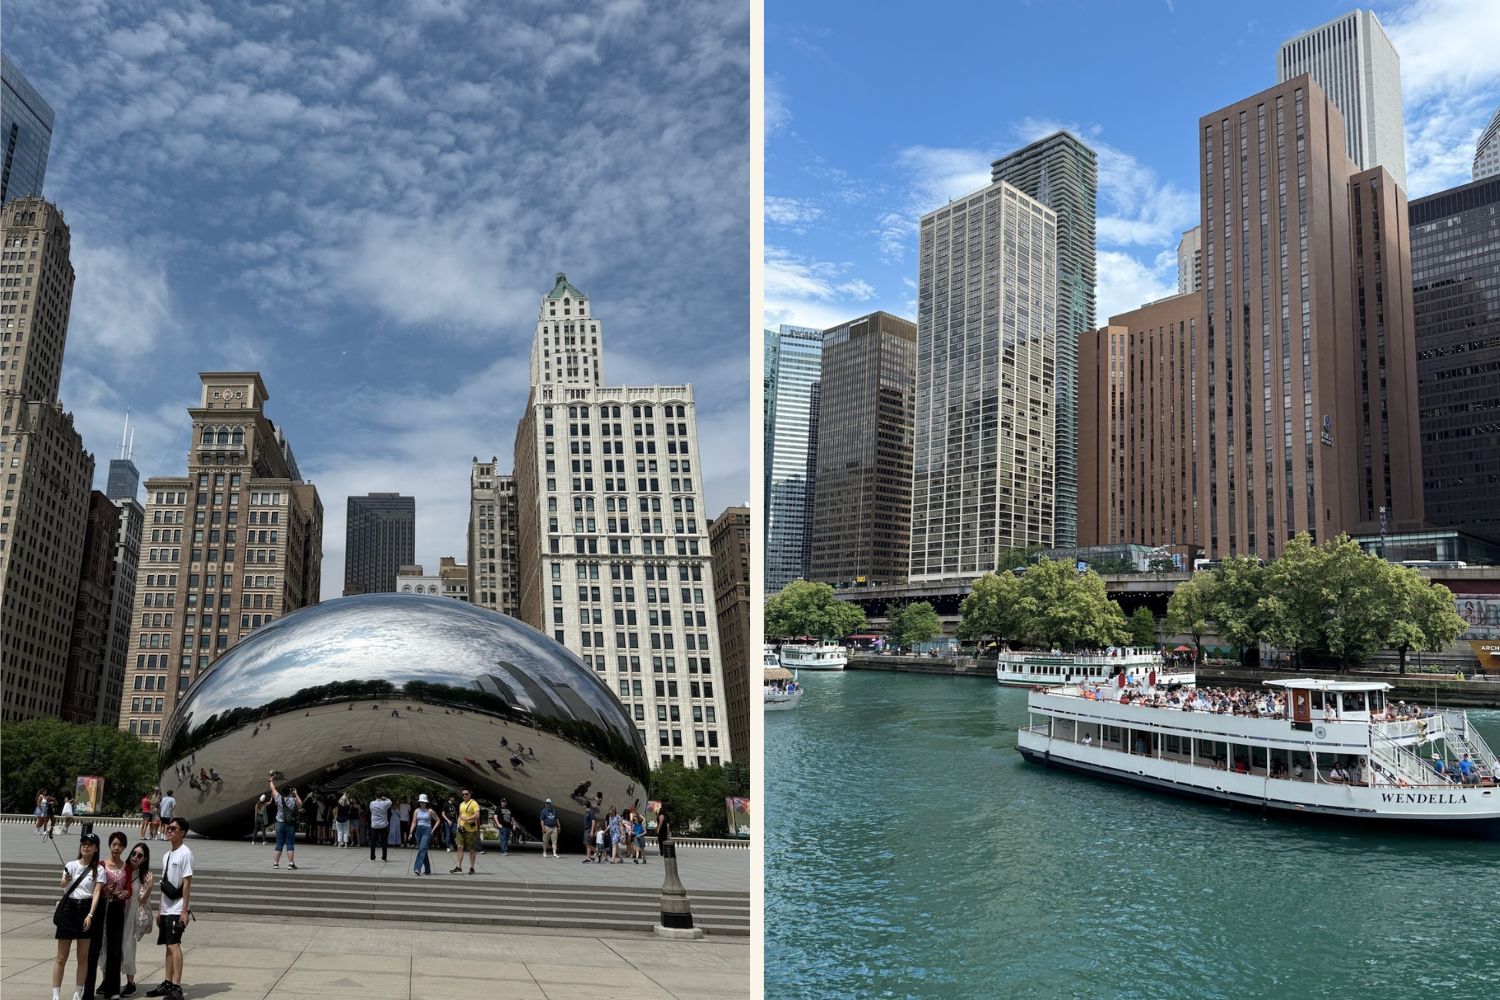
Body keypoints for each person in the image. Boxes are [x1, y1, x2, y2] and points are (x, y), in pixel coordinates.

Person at [54, 832, 105, 1000]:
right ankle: (56, 994)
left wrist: (90, 914)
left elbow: (97, 893)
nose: (86, 846)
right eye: (84, 843)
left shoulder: (99, 869)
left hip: (85, 909)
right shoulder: (71, 865)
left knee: (82, 957)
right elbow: (62, 884)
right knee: (61, 957)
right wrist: (65, 880)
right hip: (69, 909)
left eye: (90, 844)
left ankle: (78, 992)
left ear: (96, 848)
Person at [146, 819, 192, 1000]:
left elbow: (187, 884)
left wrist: (184, 911)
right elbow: (164, 885)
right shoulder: (167, 855)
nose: (169, 830)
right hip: (166, 908)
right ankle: (167, 982)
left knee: (174, 945)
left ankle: (177, 988)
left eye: (173, 829)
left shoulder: (185, 854)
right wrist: (160, 909)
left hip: (178, 907)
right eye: (168, 828)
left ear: (183, 833)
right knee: (167, 946)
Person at [89, 832, 131, 1000]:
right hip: (101, 908)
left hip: (117, 909)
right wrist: (106, 889)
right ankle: (88, 987)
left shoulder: (126, 867)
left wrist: (124, 893)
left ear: (124, 847)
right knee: (95, 948)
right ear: (109, 845)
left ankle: (113, 989)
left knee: (114, 948)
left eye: (120, 845)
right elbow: (93, 886)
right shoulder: (100, 865)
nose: (116, 847)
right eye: (114, 844)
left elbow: (129, 888)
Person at [118, 841, 153, 999]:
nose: (135, 857)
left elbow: (142, 900)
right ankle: (109, 980)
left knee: (128, 948)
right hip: (116, 913)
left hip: (131, 917)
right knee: (108, 947)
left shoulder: (145, 876)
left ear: (144, 859)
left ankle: (130, 983)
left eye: (139, 856)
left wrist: (150, 887)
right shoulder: (122, 869)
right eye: (133, 853)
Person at [267, 774, 301, 870]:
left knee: (279, 843)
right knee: (290, 843)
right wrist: (296, 794)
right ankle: (290, 863)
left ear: (282, 792)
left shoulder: (278, 798)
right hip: (290, 824)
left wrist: (270, 781)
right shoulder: (293, 800)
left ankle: (276, 863)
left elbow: (273, 789)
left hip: (279, 823)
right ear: (290, 792)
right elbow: (300, 804)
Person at [408, 794, 441, 876]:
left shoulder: (430, 811)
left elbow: (438, 820)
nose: (422, 803)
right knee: (423, 850)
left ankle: (417, 868)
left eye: (424, 802)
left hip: (427, 830)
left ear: (426, 803)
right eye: (421, 802)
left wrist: (433, 830)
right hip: (418, 830)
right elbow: (414, 822)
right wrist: (411, 832)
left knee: (422, 849)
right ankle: (428, 869)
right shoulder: (416, 811)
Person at [451, 788, 479, 875]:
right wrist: (458, 826)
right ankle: (458, 866)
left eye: (466, 794)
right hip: (461, 829)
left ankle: (472, 867)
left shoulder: (474, 803)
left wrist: (467, 818)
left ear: (470, 794)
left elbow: (477, 814)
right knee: (459, 847)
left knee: (471, 849)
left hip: (471, 830)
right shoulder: (461, 804)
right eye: (463, 794)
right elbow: (460, 815)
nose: (464, 795)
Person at [368, 791, 392, 862]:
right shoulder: (385, 803)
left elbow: (371, 810)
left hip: (374, 825)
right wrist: (385, 798)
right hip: (383, 825)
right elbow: (390, 802)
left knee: (373, 842)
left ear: (375, 796)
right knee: (384, 842)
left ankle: (372, 858)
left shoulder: (372, 803)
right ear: (382, 796)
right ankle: (384, 858)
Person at [581, 799, 598, 863]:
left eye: (583, 804)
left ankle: (588, 859)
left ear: (586, 805)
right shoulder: (587, 812)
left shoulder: (591, 812)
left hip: (589, 830)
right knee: (587, 844)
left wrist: (592, 831)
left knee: (588, 844)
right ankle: (598, 853)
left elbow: (593, 821)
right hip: (586, 830)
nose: (583, 805)